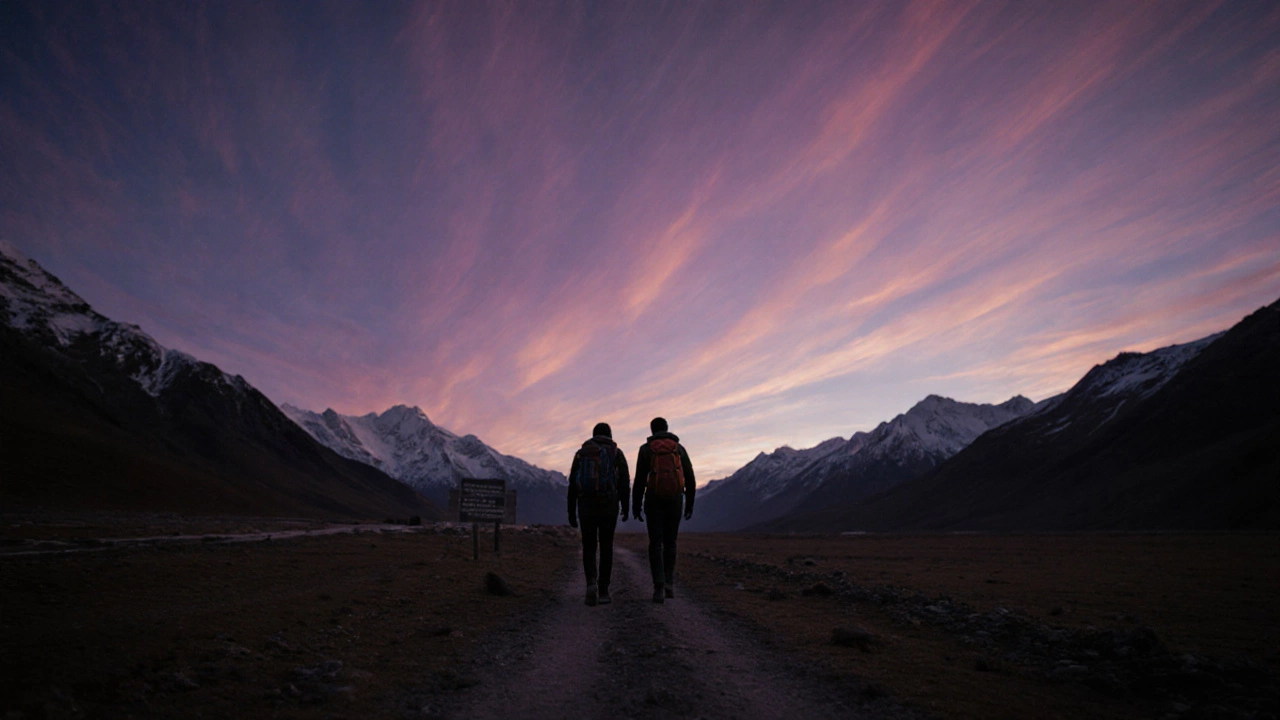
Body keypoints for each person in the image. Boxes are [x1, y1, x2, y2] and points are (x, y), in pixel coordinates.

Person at [632, 417, 695, 604]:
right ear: (667, 428)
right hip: (675, 500)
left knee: (655, 543)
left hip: (653, 500)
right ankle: (669, 583)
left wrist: (636, 505)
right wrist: (689, 503)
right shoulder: (678, 448)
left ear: (652, 431)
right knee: (670, 542)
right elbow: (690, 477)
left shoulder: (646, 450)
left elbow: (640, 480)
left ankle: (658, 586)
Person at [567, 422, 630, 606]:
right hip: (608, 506)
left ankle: (590, 583)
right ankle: (603, 591)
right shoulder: (616, 453)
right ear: (610, 435)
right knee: (606, 546)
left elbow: (572, 484)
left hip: (585, 506)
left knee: (588, 546)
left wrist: (571, 512)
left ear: (593, 435)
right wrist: (625, 508)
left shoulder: (582, 453)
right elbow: (624, 482)